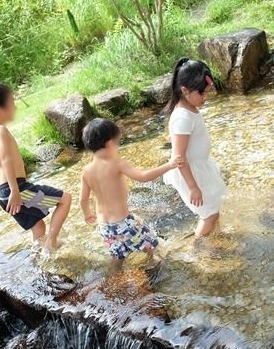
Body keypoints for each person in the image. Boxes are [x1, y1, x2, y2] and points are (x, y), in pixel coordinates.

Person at [0, 82, 71, 252]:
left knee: (38, 226)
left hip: (3, 193)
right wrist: (15, 191)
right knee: (65, 199)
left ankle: (39, 258)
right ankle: (51, 243)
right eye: (12, 102)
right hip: (16, 189)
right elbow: (6, 160)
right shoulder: (0, 131)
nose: (15, 106)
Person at [79, 118, 181, 270]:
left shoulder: (86, 171)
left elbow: (82, 199)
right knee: (153, 245)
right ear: (109, 143)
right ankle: (154, 270)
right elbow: (144, 177)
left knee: (118, 256)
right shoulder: (117, 163)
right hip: (124, 223)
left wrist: (87, 214)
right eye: (117, 142)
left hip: (105, 227)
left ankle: (112, 281)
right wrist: (169, 165)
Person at [163, 58, 227, 238]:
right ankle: (199, 249)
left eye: (207, 93)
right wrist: (193, 187)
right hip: (190, 174)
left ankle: (215, 238)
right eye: (202, 94)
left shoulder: (188, 108)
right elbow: (179, 157)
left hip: (200, 167)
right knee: (208, 214)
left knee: (213, 208)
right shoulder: (182, 118)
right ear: (184, 90)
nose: (205, 98)